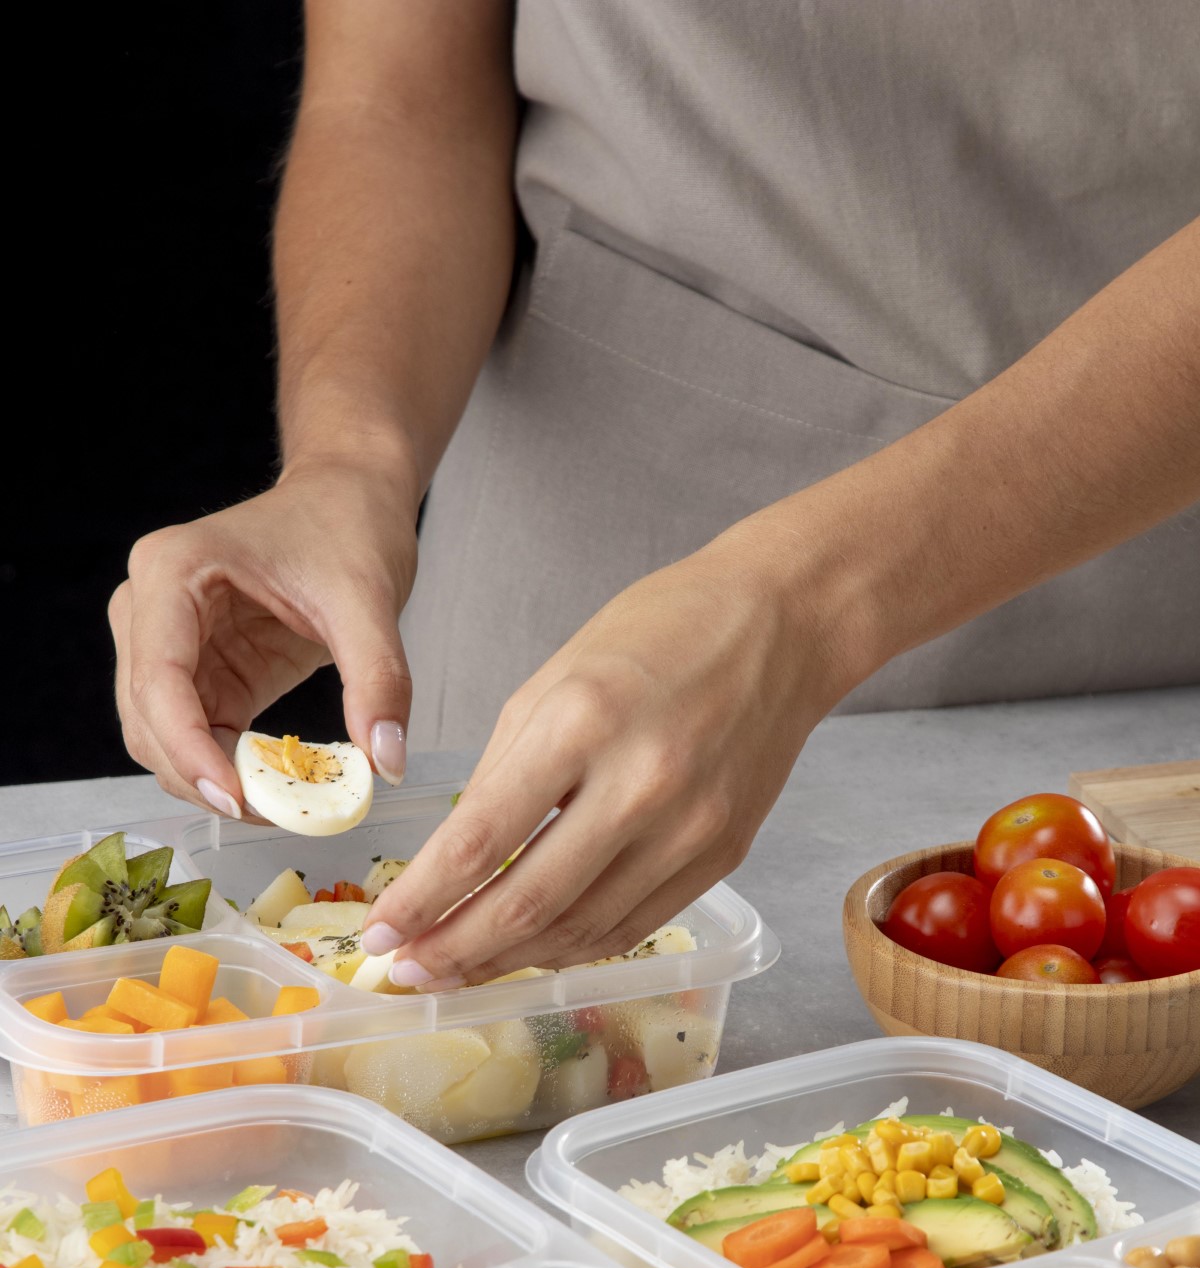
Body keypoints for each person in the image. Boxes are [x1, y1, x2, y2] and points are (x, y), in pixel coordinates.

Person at [110, 0, 1200, 995]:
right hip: (596, 573)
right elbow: (396, 96)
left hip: (1151, 569)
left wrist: (804, 606)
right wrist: (348, 462)